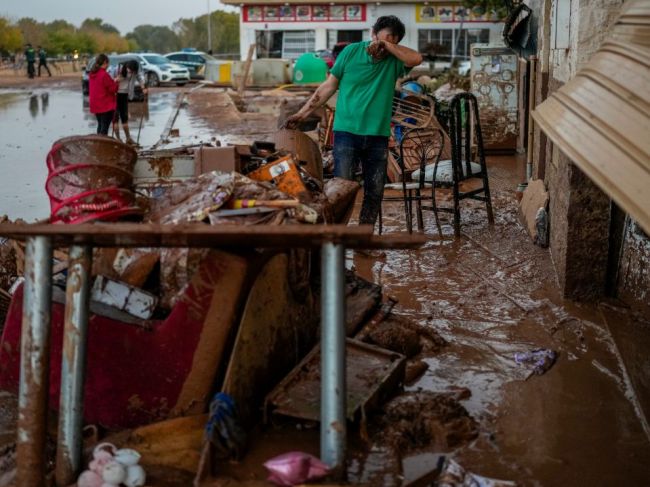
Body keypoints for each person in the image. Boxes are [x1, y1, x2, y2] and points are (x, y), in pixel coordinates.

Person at [284, 16, 422, 227]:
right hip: (346, 133)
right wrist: (302, 113)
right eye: (383, 38)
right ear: (373, 34)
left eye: (393, 42)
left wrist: (387, 45)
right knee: (342, 190)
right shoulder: (351, 52)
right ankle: (337, 238)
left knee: (374, 191)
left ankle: (364, 239)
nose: (385, 46)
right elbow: (328, 86)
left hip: (378, 135)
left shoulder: (395, 60)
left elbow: (416, 59)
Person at [113, 60, 147, 145]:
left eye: (132, 71)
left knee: (124, 117)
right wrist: (116, 79)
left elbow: (140, 77)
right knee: (115, 118)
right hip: (115, 95)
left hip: (125, 95)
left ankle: (128, 138)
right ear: (127, 66)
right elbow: (109, 80)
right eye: (129, 70)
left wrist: (143, 87)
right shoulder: (118, 69)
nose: (130, 72)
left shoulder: (135, 71)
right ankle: (118, 139)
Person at [88, 53, 118, 135]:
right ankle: (101, 145)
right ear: (105, 62)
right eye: (108, 63)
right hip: (105, 105)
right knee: (104, 128)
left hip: (96, 104)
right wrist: (116, 81)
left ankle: (98, 143)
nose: (108, 65)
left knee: (100, 125)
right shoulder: (104, 75)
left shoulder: (92, 74)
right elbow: (113, 89)